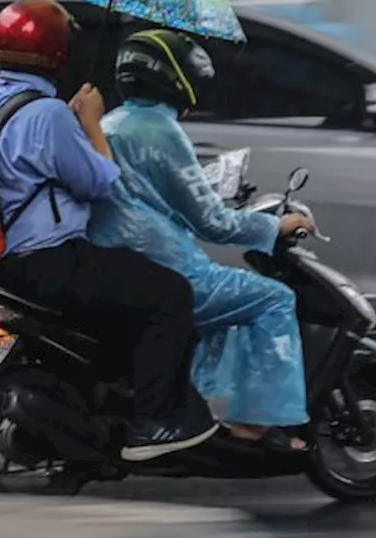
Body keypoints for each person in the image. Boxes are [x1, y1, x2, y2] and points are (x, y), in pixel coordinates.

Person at [0, 0, 218, 462]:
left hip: (0, 263)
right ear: (55, 52)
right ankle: (155, 422)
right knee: (169, 294)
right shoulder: (44, 113)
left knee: (124, 291)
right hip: (48, 262)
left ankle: (101, 402)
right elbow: (102, 182)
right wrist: (90, 124)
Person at [88, 28, 315, 450]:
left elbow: (155, 198)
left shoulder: (111, 123)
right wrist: (277, 226)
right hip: (165, 264)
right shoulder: (159, 130)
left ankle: (199, 403)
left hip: (119, 259)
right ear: (175, 79)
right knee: (273, 298)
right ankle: (253, 425)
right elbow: (214, 224)